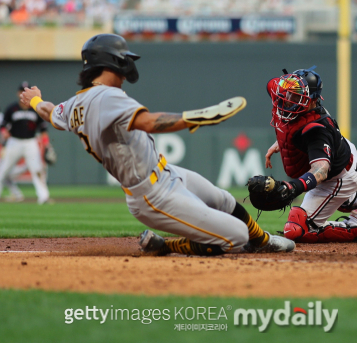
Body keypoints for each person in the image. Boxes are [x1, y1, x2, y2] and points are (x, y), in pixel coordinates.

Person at [19, 33, 295, 256]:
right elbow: (149, 122)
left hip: (165, 173)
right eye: (123, 57)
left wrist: (34, 100)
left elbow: (49, 112)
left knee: (221, 198)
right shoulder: (105, 97)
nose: (128, 64)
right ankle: (166, 246)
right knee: (234, 237)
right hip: (151, 194)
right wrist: (194, 118)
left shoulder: (77, 102)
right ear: (111, 61)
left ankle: (261, 240)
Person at [249, 68, 357, 243]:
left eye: (295, 96)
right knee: (344, 200)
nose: (286, 99)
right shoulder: (295, 110)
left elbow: (321, 171)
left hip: (339, 175)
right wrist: (282, 142)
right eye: (287, 93)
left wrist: (292, 187)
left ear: (312, 100)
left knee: (297, 230)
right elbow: (292, 124)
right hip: (340, 155)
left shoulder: (317, 129)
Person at [0, 83, 51, 205]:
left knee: (37, 170)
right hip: (14, 142)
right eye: (22, 90)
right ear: (18, 93)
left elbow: (43, 129)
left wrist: (47, 144)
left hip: (30, 142)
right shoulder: (12, 108)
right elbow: (3, 124)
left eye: (26, 90)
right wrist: (3, 131)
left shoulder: (35, 107)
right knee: (4, 169)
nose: (23, 92)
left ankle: (43, 197)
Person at [0, 98, 27, 202]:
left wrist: (6, 147)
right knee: (5, 174)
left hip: (10, 146)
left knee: (2, 172)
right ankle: (16, 194)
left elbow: (9, 132)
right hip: (7, 146)